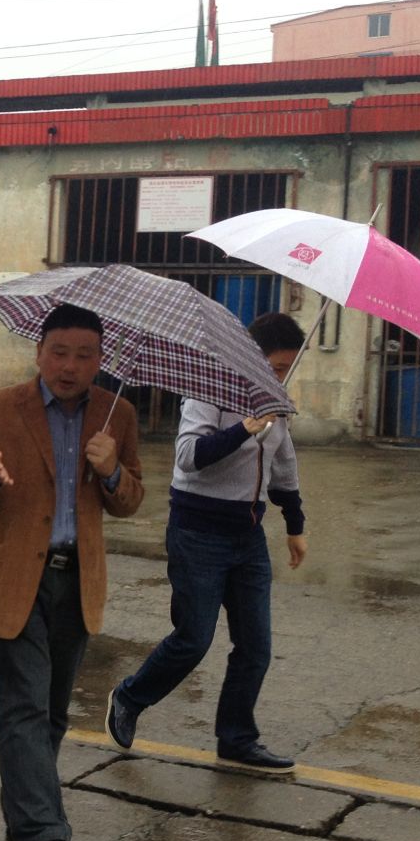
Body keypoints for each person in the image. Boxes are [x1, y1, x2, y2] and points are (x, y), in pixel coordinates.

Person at [0, 303, 144, 841]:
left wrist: (112, 470)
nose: (69, 366)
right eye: (59, 353)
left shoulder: (117, 415)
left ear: (99, 360)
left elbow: (131, 500)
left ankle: (25, 814)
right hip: (14, 579)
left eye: (84, 356)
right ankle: (44, 830)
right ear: (39, 353)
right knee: (24, 708)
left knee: (54, 711)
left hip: (76, 580)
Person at [106, 311, 308, 772]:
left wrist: (294, 526)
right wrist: (244, 428)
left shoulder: (277, 405)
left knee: (255, 647)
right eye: (278, 367)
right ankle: (130, 697)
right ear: (253, 357)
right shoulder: (209, 389)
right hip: (198, 533)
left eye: (289, 368)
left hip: (247, 537)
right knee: (193, 639)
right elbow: (188, 456)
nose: (283, 377)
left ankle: (236, 739)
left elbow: (283, 466)